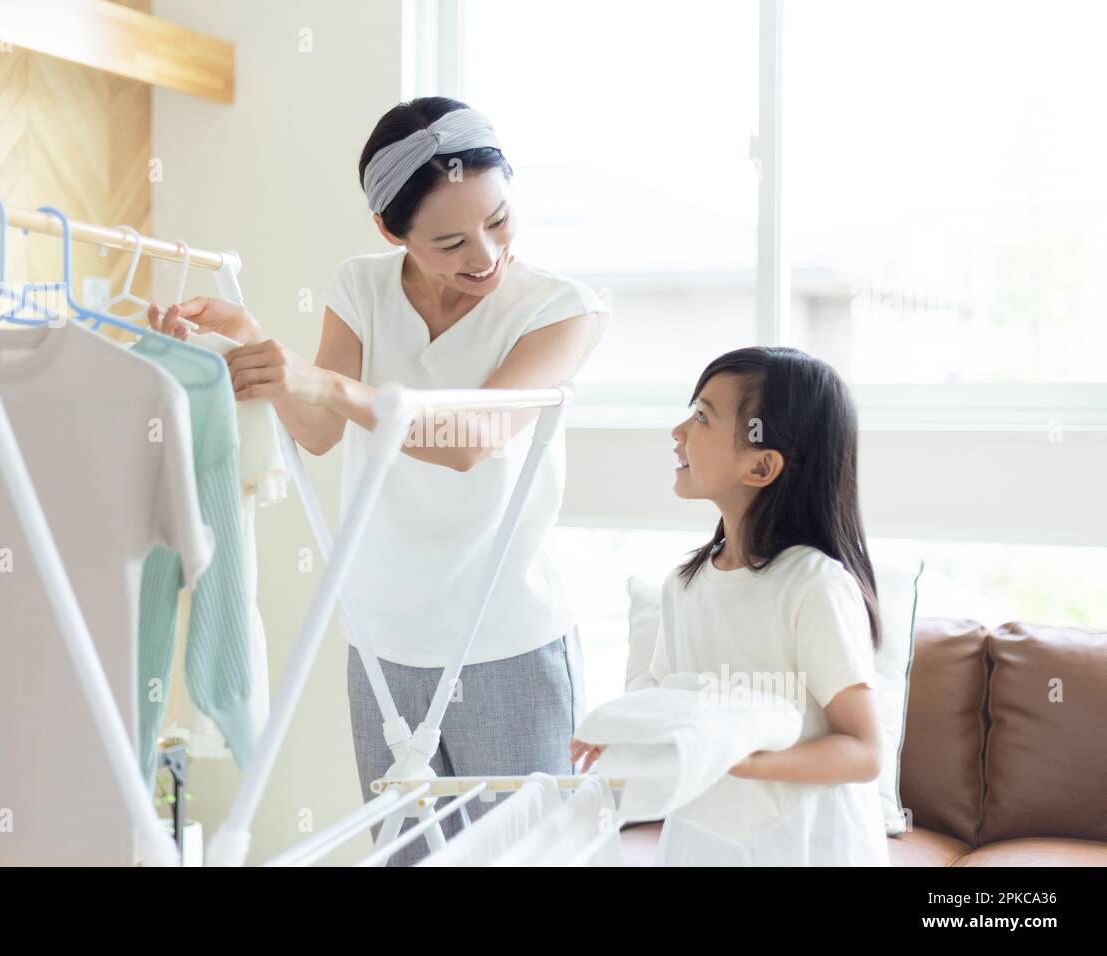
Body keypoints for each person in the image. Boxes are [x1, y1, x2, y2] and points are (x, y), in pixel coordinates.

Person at [149, 96, 607, 865]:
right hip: (382, 643)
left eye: (499, 219)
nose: (486, 254)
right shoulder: (360, 288)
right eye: (451, 240)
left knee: (527, 859)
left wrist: (326, 388)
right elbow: (322, 430)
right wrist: (260, 349)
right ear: (391, 232)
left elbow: (475, 436)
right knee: (404, 859)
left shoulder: (560, 308)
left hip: (507, 645)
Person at [572, 346, 889, 865]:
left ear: (762, 464)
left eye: (701, 417)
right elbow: (668, 706)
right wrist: (620, 736)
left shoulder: (813, 586)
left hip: (807, 847)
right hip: (703, 839)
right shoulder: (683, 586)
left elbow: (863, 751)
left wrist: (743, 759)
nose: (678, 431)